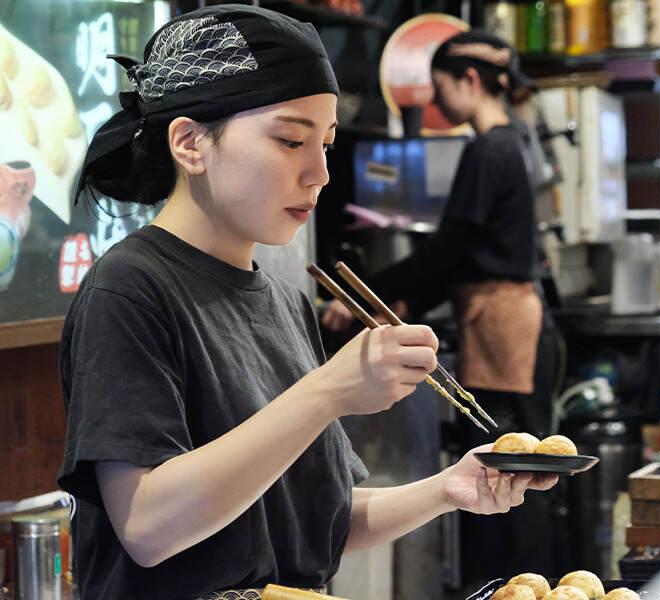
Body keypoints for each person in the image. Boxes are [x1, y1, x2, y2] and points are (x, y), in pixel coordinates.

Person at [56, 7, 558, 599]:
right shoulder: (130, 288)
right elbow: (147, 526)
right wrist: (326, 393)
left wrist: (448, 488)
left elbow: (320, 519)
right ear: (190, 143)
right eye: (291, 140)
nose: (319, 173)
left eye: (325, 143)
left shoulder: (284, 302)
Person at [322, 30, 552, 582]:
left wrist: (370, 294)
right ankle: (530, 582)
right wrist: (394, 297)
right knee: (519, 468)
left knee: (508, 470)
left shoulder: (489, 148)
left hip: (503, 328)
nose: (436, 102)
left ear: (470, 80)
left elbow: (450, 250)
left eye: (441, 87)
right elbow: (457, 254)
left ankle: (514, 585)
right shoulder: (514, 141)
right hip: (507, 321)